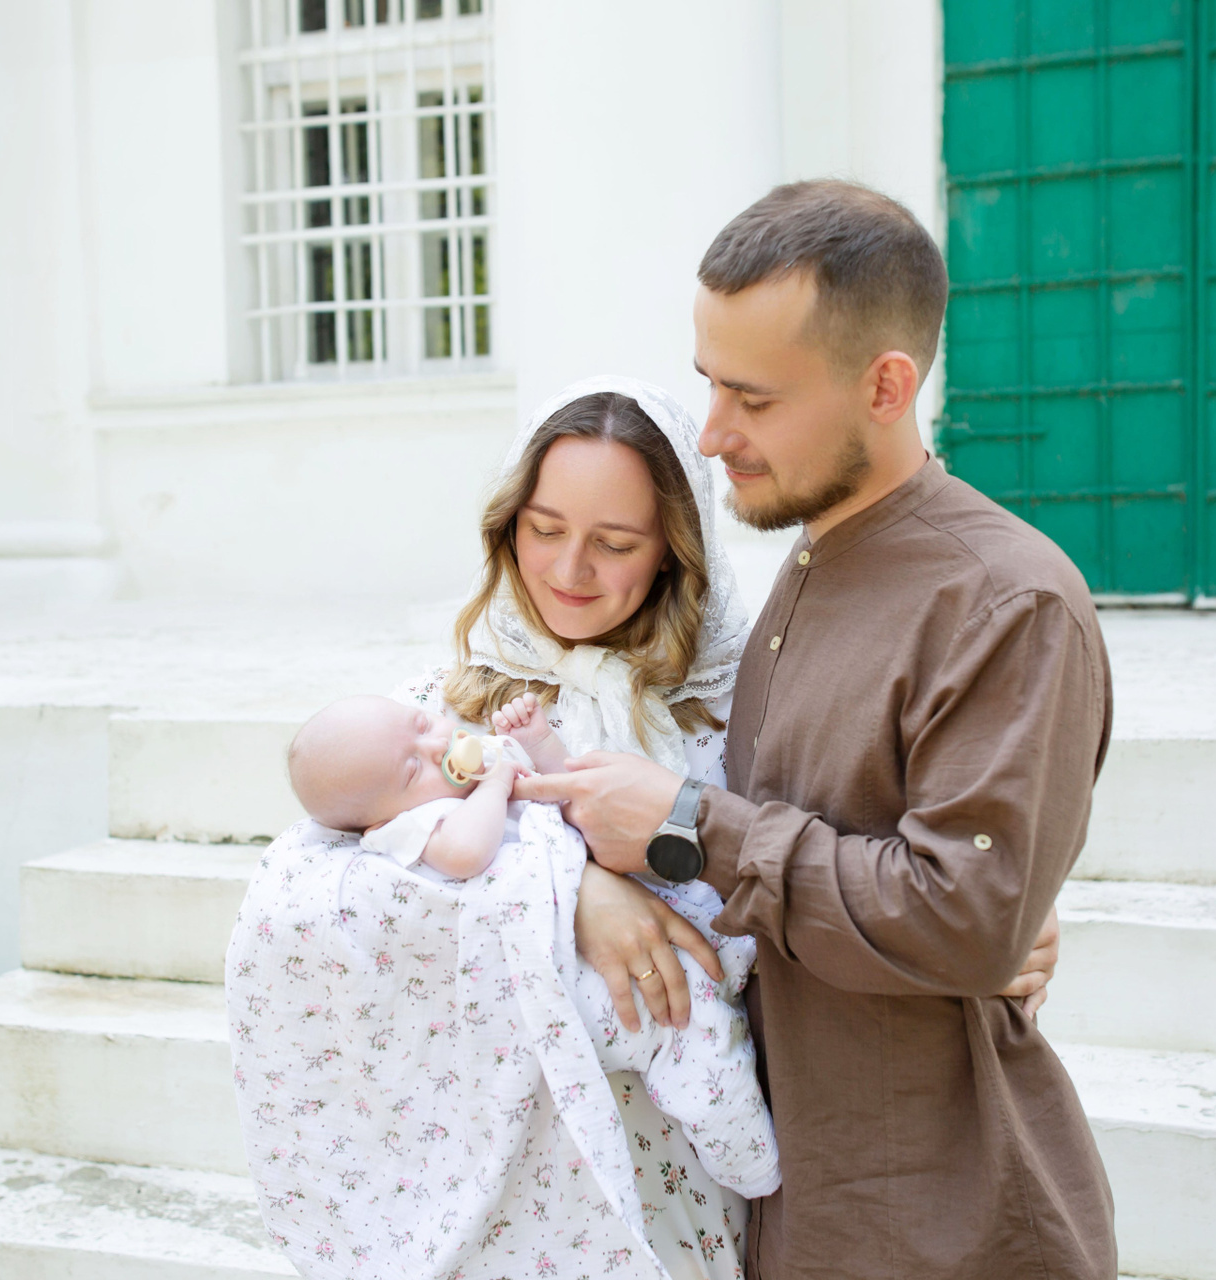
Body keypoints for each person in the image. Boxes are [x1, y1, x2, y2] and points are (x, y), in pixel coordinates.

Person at [225, 378, 1062, 1280]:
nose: (569, 569)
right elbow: (315, 893)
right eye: (544, 529)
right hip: (520, 1177)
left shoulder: (751, 708)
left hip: (685, 1163)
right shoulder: (440, 711)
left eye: (615, 543)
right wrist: (573, 890)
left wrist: (1004, 914)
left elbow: (864, 853)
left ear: (673, 551)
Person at [517, 181, 1116, 1279]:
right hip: (796, 1213)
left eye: (752, 398)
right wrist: (583, 889)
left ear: (886, 385)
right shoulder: (800, 568)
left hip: (948, 1228)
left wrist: (691, 826)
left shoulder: (1006, 602)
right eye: (710, 383)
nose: (712, 434)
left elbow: (964, 915)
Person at [276, 690, 780, 1203]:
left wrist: (537, 744)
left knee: (697, 961)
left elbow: (564, 795)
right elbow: (468, 854)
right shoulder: (416, 825)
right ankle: (748, 1160)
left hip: (619, 914)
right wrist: (495, 785)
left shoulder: (479, 768)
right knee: (691, 1038)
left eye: (423, 725)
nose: (436, 747)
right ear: (380, 820)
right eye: (412, 769)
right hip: (574, 976)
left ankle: (731, 966)